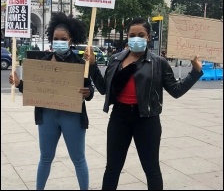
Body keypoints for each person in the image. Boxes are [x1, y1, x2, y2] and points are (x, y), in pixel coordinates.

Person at [84, 17, 203, 190]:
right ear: (127, 36)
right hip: (119, 118)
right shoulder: (116, 60)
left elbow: (176, 90)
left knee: (151, 169)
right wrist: (93, 65)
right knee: (112, 168)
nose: (136, 38)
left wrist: (195, 72)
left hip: (147, 120)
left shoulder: (158, 63)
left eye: (141, 35)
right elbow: (103, 89)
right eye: (132, 35)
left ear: (148, 37)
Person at [9, 12, 94, 190]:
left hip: (72, 117)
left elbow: (90, 90)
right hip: (47, 116)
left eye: (63, 38)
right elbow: (35, 89)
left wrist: (88, 92)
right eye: (56, 38)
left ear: (71, 39)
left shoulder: (80, 64)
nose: (59, 41)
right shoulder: (44, 62)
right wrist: (19, 84)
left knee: (78, 159)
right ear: (51, 38)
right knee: (45, 158)